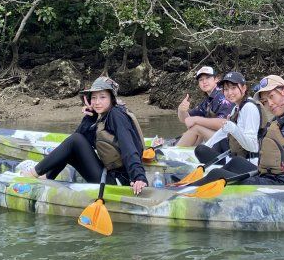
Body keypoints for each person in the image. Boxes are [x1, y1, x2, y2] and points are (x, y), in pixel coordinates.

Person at [20, 77, 148, 195]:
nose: (97, 102)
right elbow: (77, 142)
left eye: (102, 97)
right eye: (93, 98)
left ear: (112, 99)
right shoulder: (103, 116)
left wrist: (139, 177)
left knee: (75, 140)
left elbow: (129, 147)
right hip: (107, 173)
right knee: (73, 145)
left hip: (117, 181)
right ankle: (47, 176)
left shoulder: (116, 115)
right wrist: (89, 117)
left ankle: (33, 173)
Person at [203, 71, 262, 163]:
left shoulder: (249, 108)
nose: (229, 92)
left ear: (244, 88)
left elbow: (253, 147)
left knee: (214, 171)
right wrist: (207, 145)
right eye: (226, 89)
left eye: (233, 88)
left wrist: (234, 129)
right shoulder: (236, 108)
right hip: (237, 157)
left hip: (251, 162)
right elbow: (223, 132)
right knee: (200, 150)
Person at [176, 66, 235, 146]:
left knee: (196, 128)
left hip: (231, 141)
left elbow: (224, 124)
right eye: (201, 80)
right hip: (222, 137)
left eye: (207, 78)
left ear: (216, 79)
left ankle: (173, 154)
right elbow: (186, 120)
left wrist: (196, 120)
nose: (204, 82)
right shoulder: (207, 101)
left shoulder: (223, 96)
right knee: (195, 128)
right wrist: (181, 110)